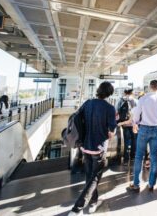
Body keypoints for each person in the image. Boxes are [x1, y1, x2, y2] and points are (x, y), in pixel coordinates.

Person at [68, 82, 116, 216]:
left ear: (99, 91)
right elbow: (111, 133)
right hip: (98, 148)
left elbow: (77, 118)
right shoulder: (110, 108)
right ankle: (77, 208)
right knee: (94, 178)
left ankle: (93, 202)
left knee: (89, 176)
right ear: (110, 93)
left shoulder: (88, 103)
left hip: (85, 146)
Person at [127, 80, 157, 192]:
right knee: (154, 157)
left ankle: (136, 184)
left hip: (144, 129)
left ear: (150, 87)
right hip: (156, 129)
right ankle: (151, 184)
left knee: (139, 157)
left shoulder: (143, 98)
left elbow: (136, 115)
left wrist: (135, 124)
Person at [115, 88, 138, 162]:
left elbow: (116, 112)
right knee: (134, 141)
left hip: (124, 124)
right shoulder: (135, 101)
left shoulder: (120, 100)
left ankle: (125, 158)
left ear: (124, 92)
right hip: (134, 124)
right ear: (132, 93)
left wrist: (119, 122)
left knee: (126, 141)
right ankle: (133, 157)